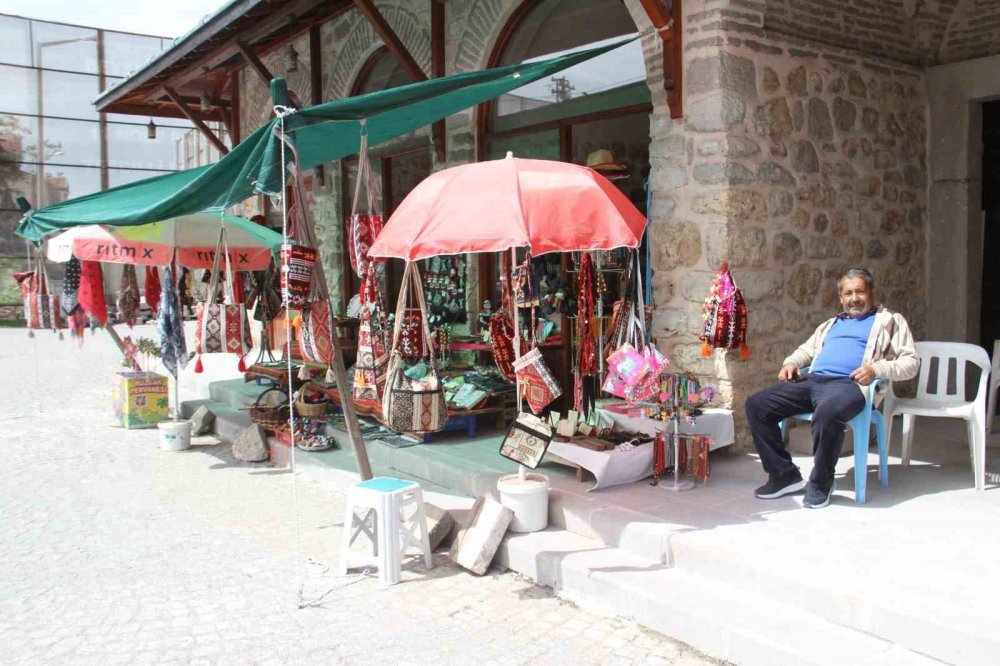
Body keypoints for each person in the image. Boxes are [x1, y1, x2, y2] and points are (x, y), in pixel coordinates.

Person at [745, 268, 919, 508]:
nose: (854, 298)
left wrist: (876, 370)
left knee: (827, 412)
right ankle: (784, 475)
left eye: (860, 291)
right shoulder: (831, 323)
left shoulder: (890, 321)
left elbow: (911, 363)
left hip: (851, 385)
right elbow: (807, 349)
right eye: (848, 293)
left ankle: (821, 483)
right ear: (840, 297)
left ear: (872, 292)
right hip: (813, 381)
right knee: (757, 405)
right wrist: (791, 362)